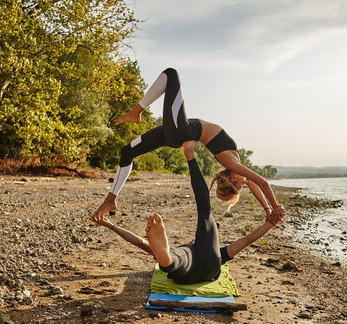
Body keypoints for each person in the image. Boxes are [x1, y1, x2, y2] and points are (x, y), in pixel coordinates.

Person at [92, 68, 284, 225]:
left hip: (180, 130)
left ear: (233, 178)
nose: (245, 184)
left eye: (241, 185)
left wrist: (275, 207)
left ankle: (136, 112)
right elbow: (259, 184)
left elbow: (261, 183)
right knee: (127, 152)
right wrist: (269, 209)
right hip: (175, 134)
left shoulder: (231, 164)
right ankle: (111, 198)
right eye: (243, 185)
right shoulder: (233, 164)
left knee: (170, 74)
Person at [92, 142, 285, 284]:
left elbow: (139, 242)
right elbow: (247, 240)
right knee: (205, 212)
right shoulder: (219, 253)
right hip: (210, 267)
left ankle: (166, 260)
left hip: (184, 270)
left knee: (178, 258)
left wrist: (111, 225)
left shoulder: (186, 250)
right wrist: (270, 222)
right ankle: (190, 158)